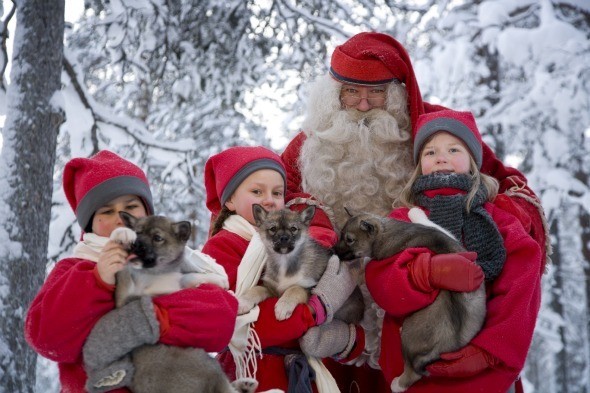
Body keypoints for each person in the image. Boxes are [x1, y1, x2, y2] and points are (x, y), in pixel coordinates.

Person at [281, 32, 549, 392]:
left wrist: (486, 213)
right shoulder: (308, 145)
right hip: (341, 320)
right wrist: (318, 226)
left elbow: (512, 185)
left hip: (440, 319)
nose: (363, 104)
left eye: (375, 93)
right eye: (350, 92)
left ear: (395, 93)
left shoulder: (434, 130)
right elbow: (259, 197)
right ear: (333, 95)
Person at [25, 150, 238, 392]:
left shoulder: (174, 260)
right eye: (106, 211)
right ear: (89, 223)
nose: (119, 218)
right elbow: (47, 338)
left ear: (147, 214)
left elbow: (220, 321)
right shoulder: (76, 269)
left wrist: (152, 319)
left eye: (130, 207)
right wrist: (98, 280)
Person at [365, 109, 542, 392]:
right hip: (416, 367)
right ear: (419, 165)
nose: (440, 157)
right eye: (430, 151)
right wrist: (424, 272)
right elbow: (381, 278)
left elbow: (521, 286)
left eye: (453, 149)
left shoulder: (500, 220)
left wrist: (489, 351)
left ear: (472, 161)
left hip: (484, 374)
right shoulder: (403, 219)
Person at [202, 146, 358, 392]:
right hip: (252, 372)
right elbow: (236, 325)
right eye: (256, 191)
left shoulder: (283, 243)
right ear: (229, 200)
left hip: (302, 372)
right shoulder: (221, 248)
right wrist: (311, 312)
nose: (269, 200)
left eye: (277, 193)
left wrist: (346, 337)